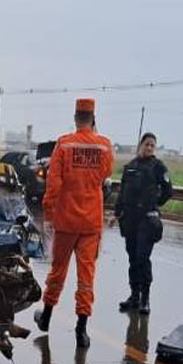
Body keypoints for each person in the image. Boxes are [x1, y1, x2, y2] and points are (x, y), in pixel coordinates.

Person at [34, 98, 114, 348]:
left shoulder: (65, 144)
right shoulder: (104, 146)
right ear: (93, 118)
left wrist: (48, 214)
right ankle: (81, 330)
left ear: (75, 117)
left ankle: (45, 317)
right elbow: (106, 174)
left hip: (66, 220)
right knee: (86, 276)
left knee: (58, 271)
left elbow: (53, 183)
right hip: (91, 222)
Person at [113, 132, 172, 314]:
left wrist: (155, 203)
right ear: (140, 145)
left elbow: (168, 190)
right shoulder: (130, 166)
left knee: (142, 258)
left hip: (147, 220)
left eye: (152, 145)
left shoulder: (158, 167)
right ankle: (134, 296)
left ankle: (145, 298)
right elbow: (122, 192)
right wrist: (117, 212)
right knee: (132, 258)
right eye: (146, 144)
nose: (149, 148)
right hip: (130, 220)